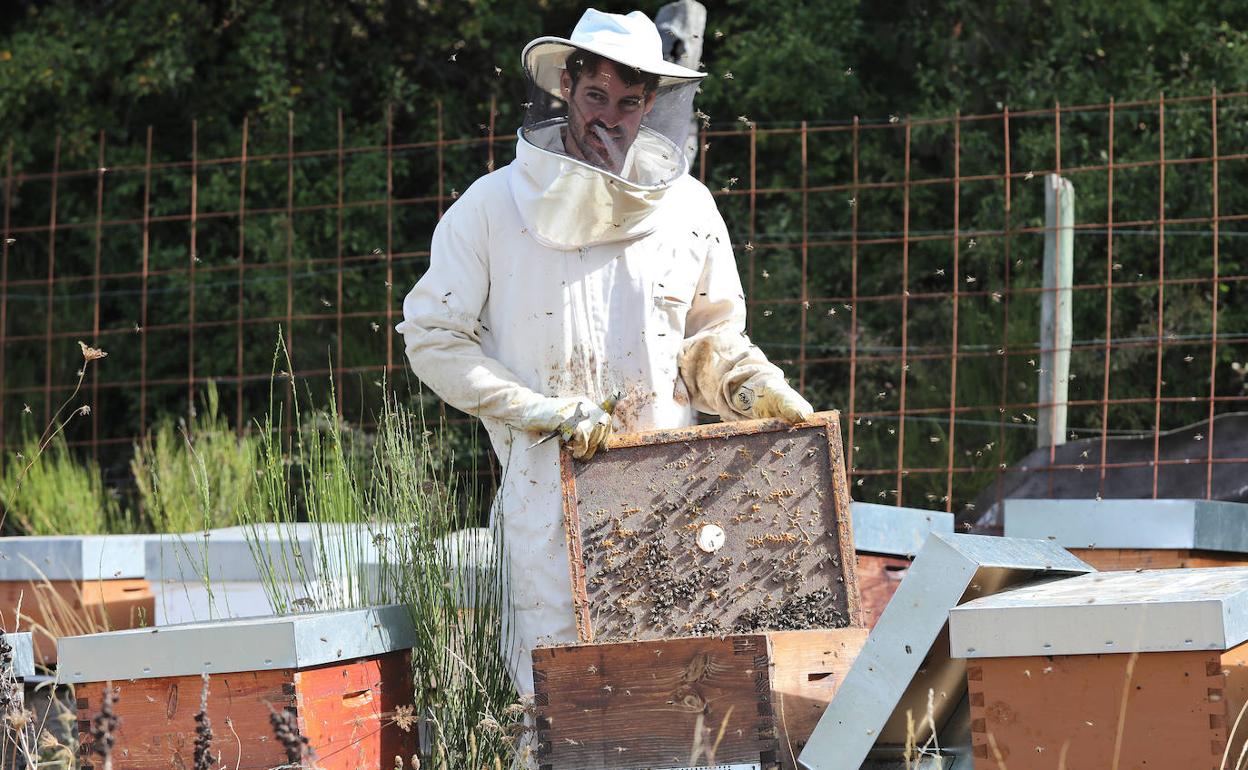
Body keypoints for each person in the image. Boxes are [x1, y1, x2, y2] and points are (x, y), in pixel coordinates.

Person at [396, 8, 815, 697]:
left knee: (678, 714)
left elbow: (709, 341)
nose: (610, 120)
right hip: (546, 505)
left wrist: (750, 385)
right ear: (566, 86)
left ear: (650, 104)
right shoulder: (491, 206)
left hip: (673, 503)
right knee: (559, 715)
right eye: (596, 97)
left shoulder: (690, 209)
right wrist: (536, 409)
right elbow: (433, 337)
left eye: (629, 103)